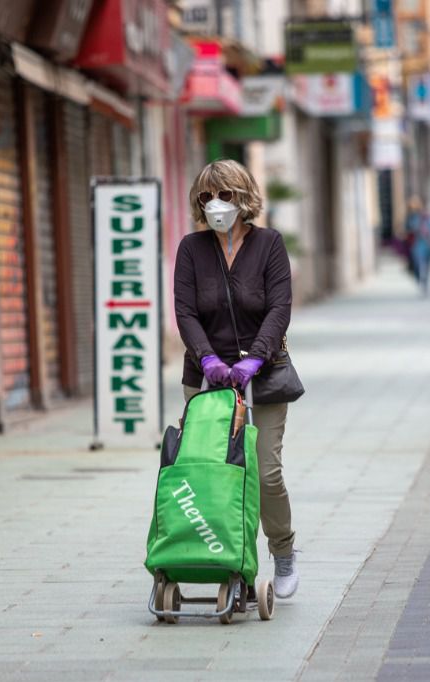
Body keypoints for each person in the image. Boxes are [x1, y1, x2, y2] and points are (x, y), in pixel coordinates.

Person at [174, 159, 300, 598]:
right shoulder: (192, 249)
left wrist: (257, 358)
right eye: (206, 197)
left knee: (264, 473)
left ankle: (282, 550)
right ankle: (229, 560)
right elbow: (186, 311)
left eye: (224, 195)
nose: (215, 205)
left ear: (243, 197)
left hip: (262, 379)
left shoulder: (269, 245)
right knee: (213, 471)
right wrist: (207, 358)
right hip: (207, 380)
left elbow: (279, 307)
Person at [405, 195, 430, 296]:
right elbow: (408, 228)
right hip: (417, 246)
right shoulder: (413, 218)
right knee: (417, 265)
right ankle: (420, 280)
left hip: (429, 246)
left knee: (428, 266)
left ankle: (426, 283)